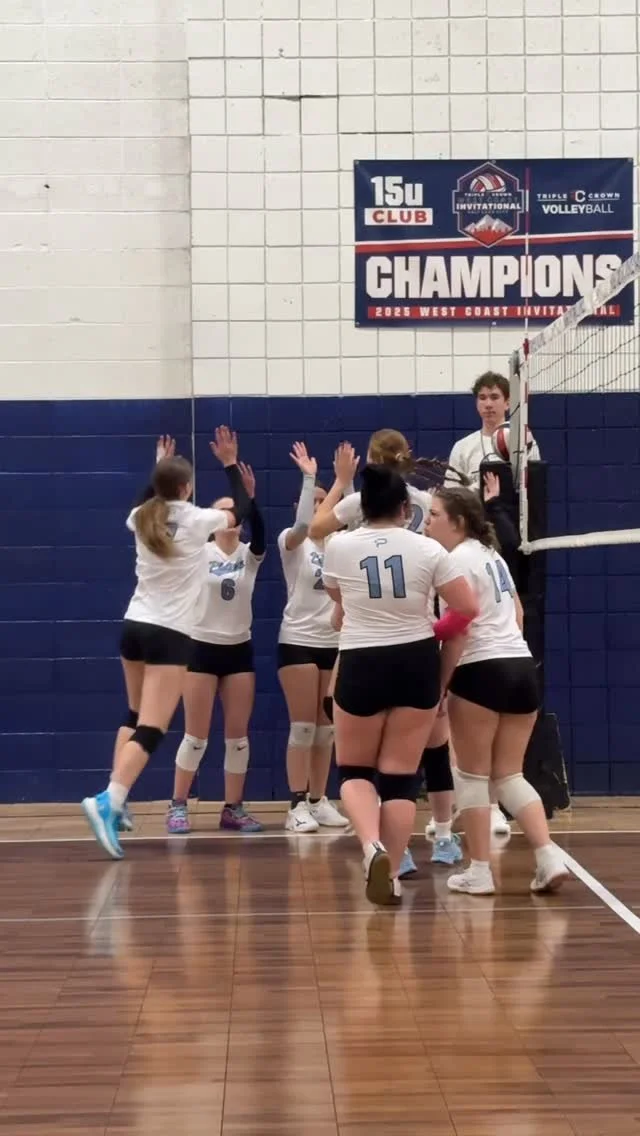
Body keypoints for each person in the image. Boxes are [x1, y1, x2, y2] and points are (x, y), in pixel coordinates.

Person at [81, 428, 251, 859]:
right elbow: (241, 511)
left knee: (134, 713)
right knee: (154, 728)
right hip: (168, 635)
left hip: (133, 626)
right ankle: (110, 800)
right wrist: (231, 464)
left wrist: (158, 466)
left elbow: (146, 501)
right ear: (187, 487)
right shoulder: (197, 518)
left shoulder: (142, 516)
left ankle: (116, 796)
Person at [322, 464, 478, 906]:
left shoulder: (338, 546)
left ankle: (371, 846)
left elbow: (339, 600)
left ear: (363, 508)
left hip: (362, 660)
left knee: (354, 771)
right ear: (406, 509)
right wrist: (433, 636)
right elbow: (467, 608)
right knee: (400, 778)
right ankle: (389, 873)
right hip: (416, 660)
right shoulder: (428, 549)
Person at [427, 486, 569, 896]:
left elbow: (458, 630)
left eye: (434, 514)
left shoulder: (454, 561)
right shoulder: (493, 557)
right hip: (521, 667)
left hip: (480, 670)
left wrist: (440, 686)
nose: (428, 521)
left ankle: (480, 871)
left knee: (471, 776)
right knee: (509, 774)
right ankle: (548, 857)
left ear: (457, 521)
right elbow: (518, 614)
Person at [166, 430, 266, 835]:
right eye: (223, 512)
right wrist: (164, 472)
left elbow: (259, 527)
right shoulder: (196, 553)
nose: (231, 518)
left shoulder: (249, 555)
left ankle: (233, 809)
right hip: (200, 649)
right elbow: (169, 526)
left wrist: (245, 492)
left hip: (238, 650)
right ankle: (178, 805)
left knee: (237, 738)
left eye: (234, 512)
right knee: (196, 736)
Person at [277, 441, 358, 834]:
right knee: (303, 727)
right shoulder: (293, 542)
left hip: (334, 642)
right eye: (312, 502)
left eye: (325, 503)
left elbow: (356, 517)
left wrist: (348, 481)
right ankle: (295, 805)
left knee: (327, 729)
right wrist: (315, 480)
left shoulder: (341, 545)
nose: (319, 507)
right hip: (298, 640)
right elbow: (302, 527)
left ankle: (318, 799)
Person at [447, 371, 540, 490]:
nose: (488, 404)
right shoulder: (462, 447)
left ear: (507, 403)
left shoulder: (523, 440)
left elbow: (535, 486)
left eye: (494, 397)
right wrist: (478, 489)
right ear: (476, 403)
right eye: (482, 398)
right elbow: (451, 494)